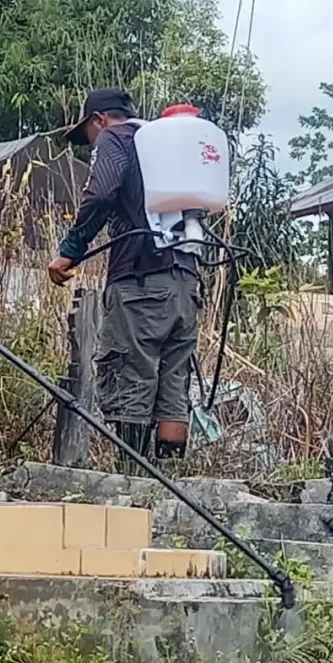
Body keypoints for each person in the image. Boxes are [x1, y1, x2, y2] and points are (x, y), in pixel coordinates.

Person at [47, 87, 201, 474]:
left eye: (88, 135)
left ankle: (131, 484)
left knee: (130, 373)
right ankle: (169, 483)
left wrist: (71, 249)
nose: (91, 144)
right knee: (172, 384)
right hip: (186, 282)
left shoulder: (117, 137)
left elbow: (101, 193)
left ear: (99, 120)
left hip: (141, 280)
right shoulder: (166, 144)